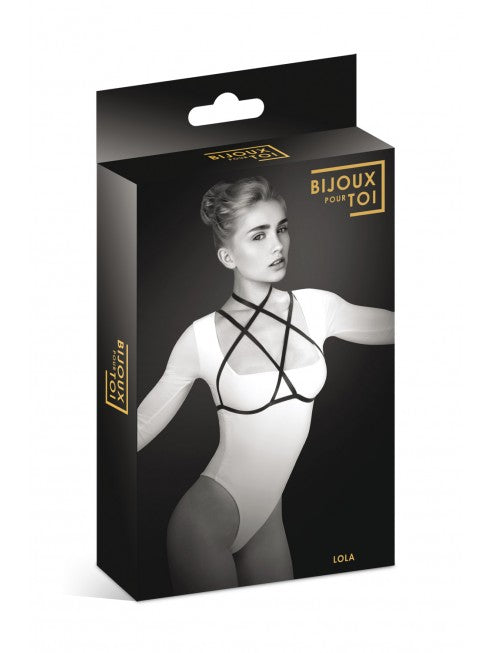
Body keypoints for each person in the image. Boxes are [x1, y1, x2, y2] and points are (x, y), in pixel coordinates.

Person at [137, 176, 394, 595]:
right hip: (205, 527)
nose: (277, 245)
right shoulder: (200, 338)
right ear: (227, 256)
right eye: (258, 235)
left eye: (281, 228)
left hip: (267, 524)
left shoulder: (318, 307)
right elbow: (139, 426)